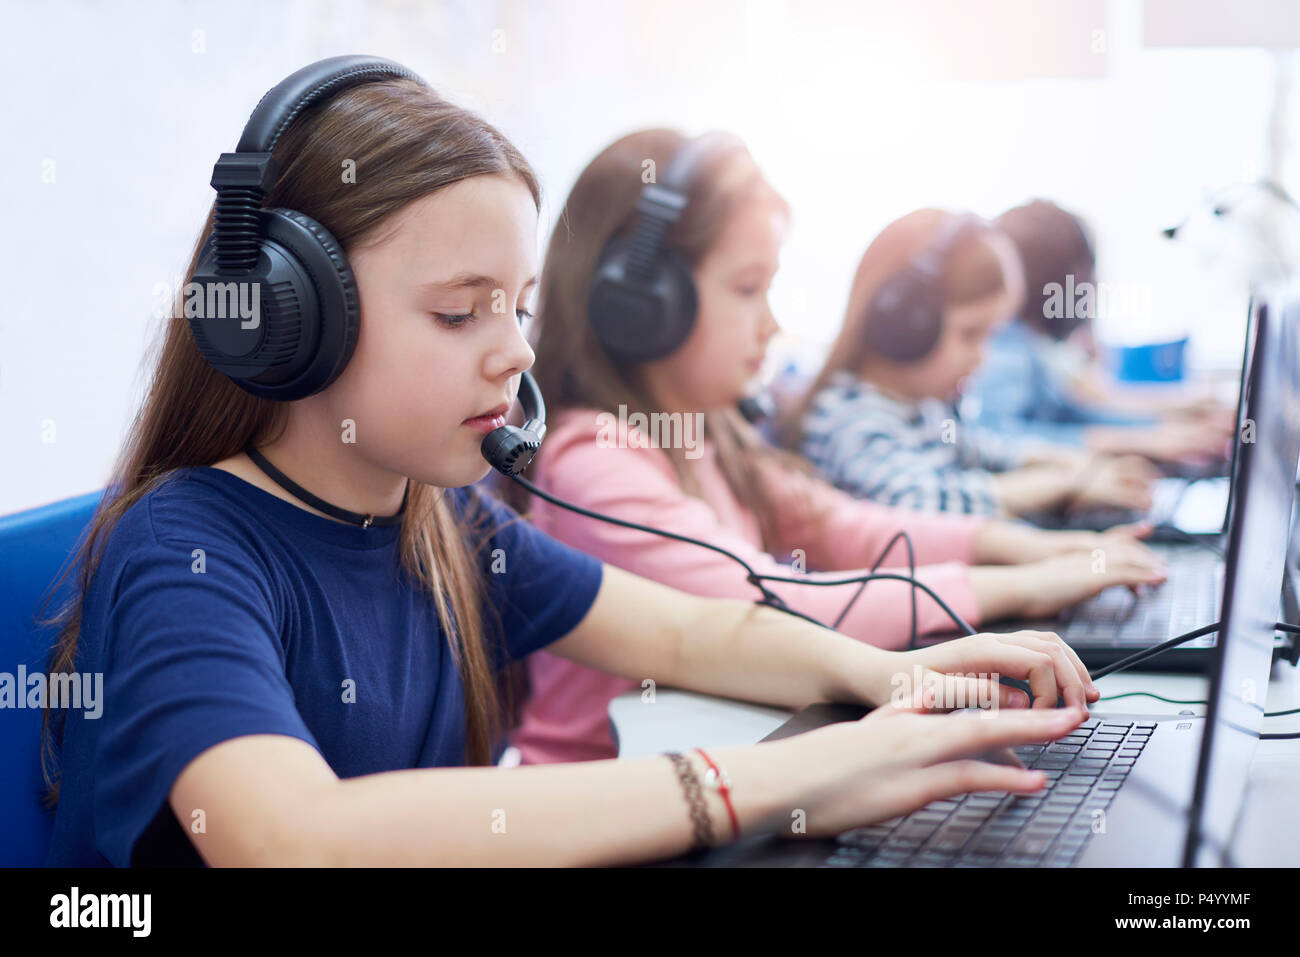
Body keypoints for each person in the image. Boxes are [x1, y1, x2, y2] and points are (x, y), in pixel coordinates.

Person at [39, 59, 1098, 868]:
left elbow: (686, 628)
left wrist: (894, 676)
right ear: (284, 321)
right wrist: (771, 780)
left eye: (522, 307)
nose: (514, 351)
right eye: (459, 311)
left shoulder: (440, 524)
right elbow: (293, 838)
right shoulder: (184, 552)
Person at [504, 131, 1163, 767]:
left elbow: (847, 528)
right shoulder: (594, 457)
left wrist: (1027, 548)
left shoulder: (713, 434)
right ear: (643, 305)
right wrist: (1021, 585)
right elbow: (777, 602)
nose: (773, 323)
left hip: (715, 768)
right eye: (746, 288)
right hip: (610, 801)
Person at [793, 208, 1162, 519]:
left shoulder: (918, 408)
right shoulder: (853, 417)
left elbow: (983, 449)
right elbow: (915, 506)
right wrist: (1062, 485)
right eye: (971, 335)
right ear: (902, 323)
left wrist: (1068, 464)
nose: (983, 357)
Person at [966, 200, 1234, 465]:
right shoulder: (1005, 347)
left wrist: (1168, 426)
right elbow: (995, 435)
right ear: (1056, 279)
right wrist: (1143, 440)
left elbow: (1072, 414)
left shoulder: (1027, 344)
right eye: (1086, 273)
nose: (1093, 287)